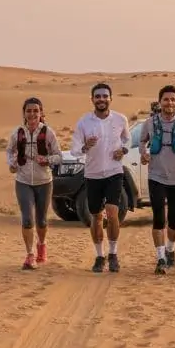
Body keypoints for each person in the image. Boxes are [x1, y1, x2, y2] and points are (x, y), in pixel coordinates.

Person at [71, 82, 131, 273]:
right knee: (96, 216)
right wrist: (85, 146)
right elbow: (74, 149)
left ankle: (113, 254)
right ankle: (99, 256)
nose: (101, 99)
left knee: (112, 214)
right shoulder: (84, 122)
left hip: (114, 172)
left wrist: (123, 150)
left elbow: (127, 139)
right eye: (98, 96)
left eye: (105, 96)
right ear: (92, 99)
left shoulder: (120, 119)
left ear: (110, 99)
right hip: (93, 174)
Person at [139, 85, 175, 274]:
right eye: (166, 99)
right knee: (158, 217)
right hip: (156, 176)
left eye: (173, 99)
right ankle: (160, 258)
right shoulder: (150, 123)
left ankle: (170, 250)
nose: (169, 103)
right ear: (160, 102)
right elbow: (142, 141)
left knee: (174, 219)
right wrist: (144, 153)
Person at [7, 97, 63, 270]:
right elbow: (9, 150)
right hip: (23, 181)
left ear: (41, 113)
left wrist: (46, 159)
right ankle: (30, 255)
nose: (32, 114)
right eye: (29, 111)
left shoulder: (48, 132)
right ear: (24, 113)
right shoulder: (17, 133)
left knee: (42, 220)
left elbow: (58, 156)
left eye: (35, 111)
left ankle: (42, 245)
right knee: (27, 219)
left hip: (44, 181)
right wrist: (11, 163)